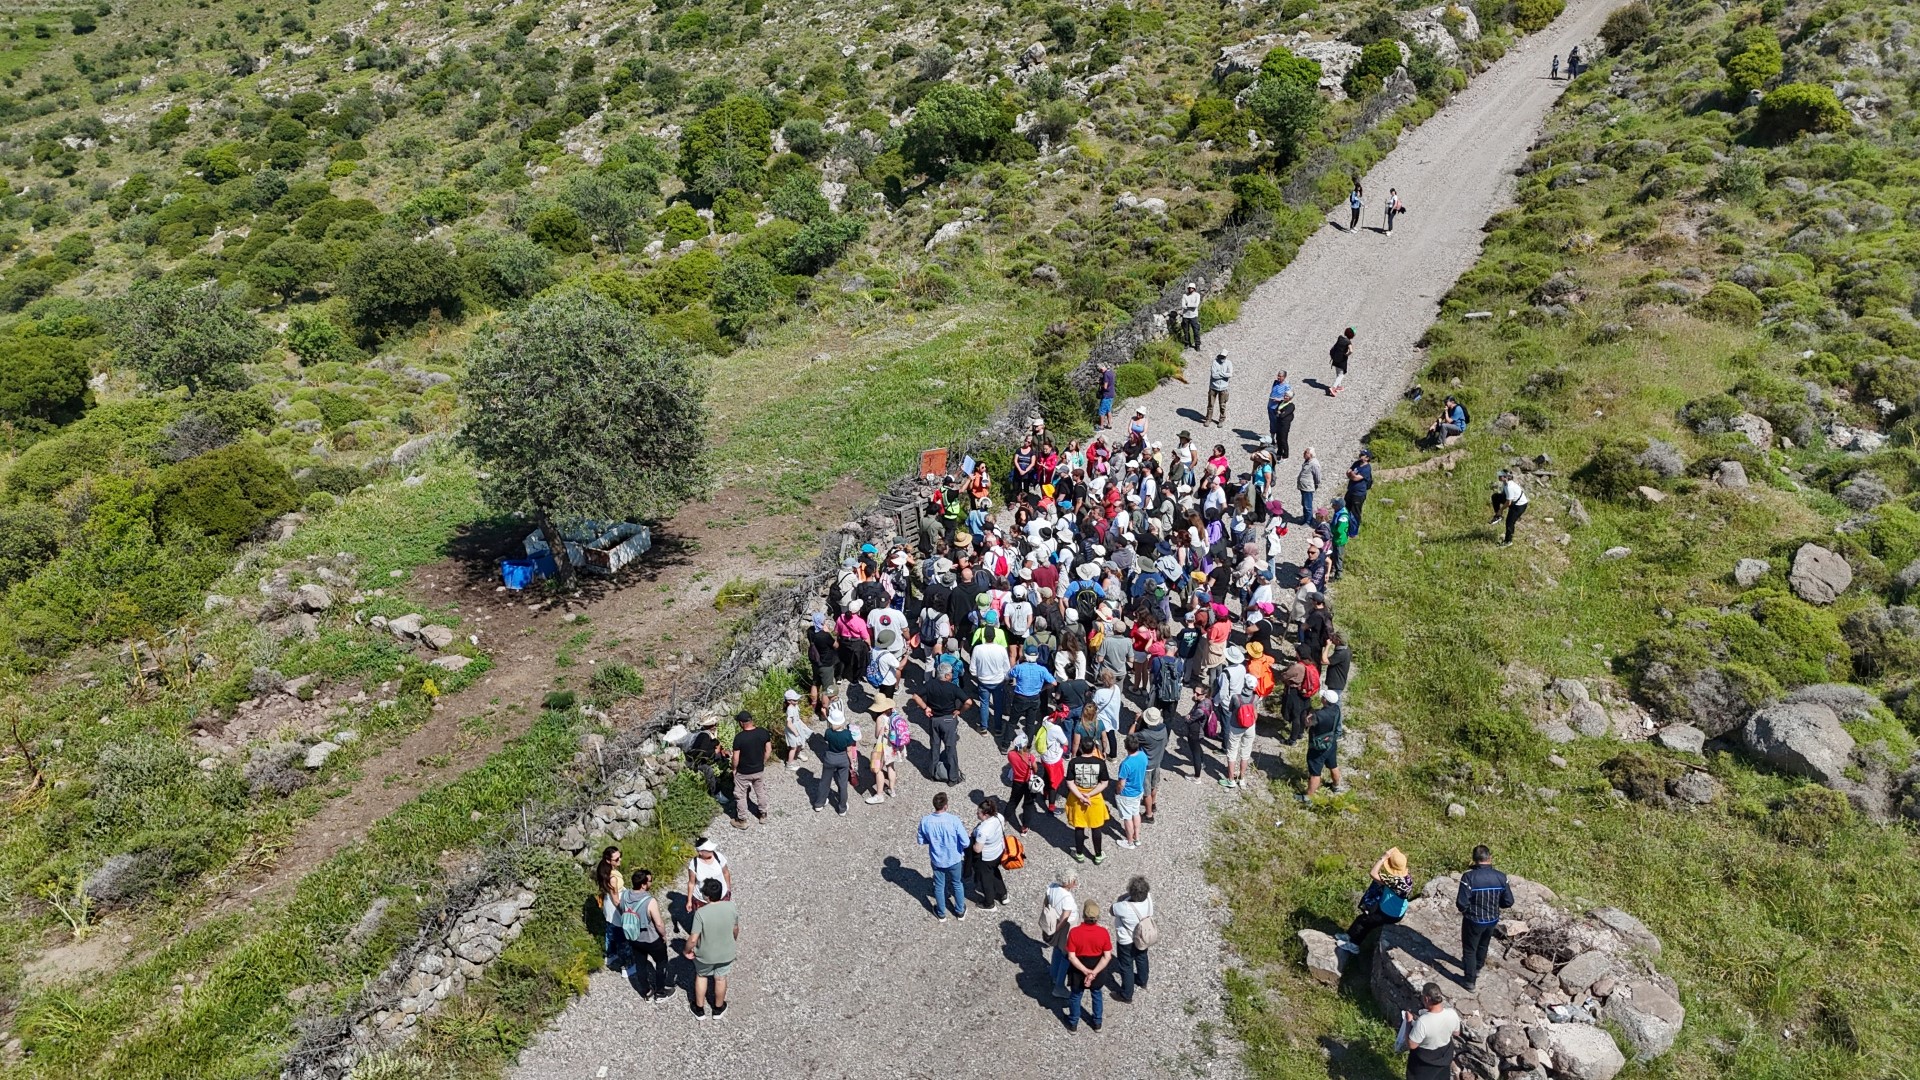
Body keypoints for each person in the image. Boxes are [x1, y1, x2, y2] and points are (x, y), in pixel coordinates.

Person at [1455, 844, 1514, 990]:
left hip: (1474, 919)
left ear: (1474, 860)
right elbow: (1508, 901)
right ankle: (1478, 968)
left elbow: (1461, 903)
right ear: (1490, 858)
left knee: (1469, 950)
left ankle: (1470, 981)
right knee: (1483, 944)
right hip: (1492, 919)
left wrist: (1467, 911)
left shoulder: (1469, 877)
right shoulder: (1501, 877)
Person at [1338, 847, 1413, 953]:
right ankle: (1349, 936)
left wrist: (1383, 858)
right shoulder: (1407, 878)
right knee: (1364, 918)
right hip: (1396, 910)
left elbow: (1373, 873)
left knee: (1364, 922)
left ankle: (1354, 945)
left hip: (1388, 913)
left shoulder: (1393, 881)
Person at [684, 878, 738, 1019]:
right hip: (726, 952)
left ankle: (700, 1009)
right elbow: (735, 929)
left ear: (706, 896)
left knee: (701, 976)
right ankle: (718, 1008)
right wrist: (732, 941)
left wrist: (686, 951)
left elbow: (693, 939)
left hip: (705, 954)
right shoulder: (731, 907)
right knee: (720, 978)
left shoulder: (701, 913)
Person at [912, 662, 970, 785]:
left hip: (934, 720)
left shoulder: (930, 685)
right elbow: (968, 702)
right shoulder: (953, 688)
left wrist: (925, 707)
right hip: (949, 720)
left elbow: (915, 696)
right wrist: (959, 711)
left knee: (935, 746)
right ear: (947, 676)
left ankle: (933, 774)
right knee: (950, 748)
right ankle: (953, 778)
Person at [619, 868, 672, 999]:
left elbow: (622, 911)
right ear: (643, 885)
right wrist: (664, 935)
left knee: (640, 964)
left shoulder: (624, 895)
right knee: (661, 962)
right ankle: (660, 992)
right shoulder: (649, 901)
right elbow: (659, 923)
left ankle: (647, 991)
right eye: (650, 881)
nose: (651, 883)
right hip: (651, 939)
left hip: (634, 937)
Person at [919, 791, 970, 921]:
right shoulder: (954, 820)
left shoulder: (925, 821)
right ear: (946, 806)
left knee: (939, 886)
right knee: (957, 883)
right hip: (954, 858)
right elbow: (966, 842)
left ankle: (941, 913)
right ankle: (959, 911)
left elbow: (921, 840)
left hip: (937, 860)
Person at [1065, 900, 1114, 1032]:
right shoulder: (1103, 933)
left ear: (1083, 915)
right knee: (1096, 994)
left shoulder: (1074, 932)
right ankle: (1097, 1023)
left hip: (1078, 969)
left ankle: (1073, 1024)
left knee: (1076, 995)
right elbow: (1107, 956)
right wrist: (1094, 973)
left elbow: (1071, 956)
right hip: (1097, 967)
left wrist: (1086, 971)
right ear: (1097, 917)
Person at [1064, 739, 1113, 864]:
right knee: (1096, 827)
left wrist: (1080, 796)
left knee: (1079, 826)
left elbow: (1069, 782)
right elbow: (1104, 782)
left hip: (1077, 797)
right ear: (1094, 749)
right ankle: (1098, 855)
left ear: (1080, 748)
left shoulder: (1074, 762)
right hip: (1094, 797)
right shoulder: (1100, 763)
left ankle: (1079, 854)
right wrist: (1089, 794)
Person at [1400, 982, 1462, 1080]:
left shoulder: (1423, 1022)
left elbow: (1412, 1045)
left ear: (1426, 999)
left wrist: (1408, 1022)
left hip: (1425, 1060)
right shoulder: (1452, 1014)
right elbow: (1456, 1033)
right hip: (1444, 1055)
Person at [1110, 875, 1154, 1002]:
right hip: (1143, 936)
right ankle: (1142, 980)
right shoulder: (1148, 898)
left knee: (1126, 966)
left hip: (1127, 940)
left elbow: (1112, 910)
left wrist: (1122, 898)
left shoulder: (1124, 906)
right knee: (1142, 957)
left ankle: (1126, 994)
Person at [972, 610, 1012, 737]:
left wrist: (979, 675)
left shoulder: (978, 649)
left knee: (984, 703)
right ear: (995, 636)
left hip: (983, 681)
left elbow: (972, 669)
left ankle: (984, 727)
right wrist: (1005, 678)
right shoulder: (1001, 649)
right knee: (998, 704)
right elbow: (1007, 668)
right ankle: (998, 729)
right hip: (998, 681)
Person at [729, 709, 772, 828]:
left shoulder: (739, 738)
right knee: (760, 791)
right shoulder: (763, 732)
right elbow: (768, 750)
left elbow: (736, 758)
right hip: (759, 769)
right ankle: (763, 814)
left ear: (742, 723)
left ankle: (742, 820)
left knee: (740, 794)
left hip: (743, 772)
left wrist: (734, 769)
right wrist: (762, 762)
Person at [811, 708, 859, 815]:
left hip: (830, 758)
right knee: (842, 784)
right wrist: (852, 762)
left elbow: (827, 740)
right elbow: (849, 750)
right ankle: (842, 808)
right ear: (842, 721)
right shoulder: (847, 734)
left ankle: (819, 803)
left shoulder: (828, 732)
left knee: (825, 781)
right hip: (842, 759)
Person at [1043, 869, 1081, 998]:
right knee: (1066, 956)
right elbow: (1066, 918)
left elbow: (1046, 902)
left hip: (1055, 921)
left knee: (1057, 950)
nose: (1075, 882)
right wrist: (1056, 930)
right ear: (1067, 882)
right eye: (1073, 880)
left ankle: (1053, 974)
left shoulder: (1052, 886)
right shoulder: (1068, 898)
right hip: (1067, 927)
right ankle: (1059, 986)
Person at [1302, 689, 1346, 800]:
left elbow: (1308, 723)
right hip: (1331, 743)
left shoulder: (1318, 715)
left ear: (1325, 700)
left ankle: (1309, 798)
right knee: (1333, 766)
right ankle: (1336, 786)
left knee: (1315, 773)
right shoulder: (1336, 709)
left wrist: (1309, 714)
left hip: (1318, 747)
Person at [864, 694, 906, 804]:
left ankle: (879, 794)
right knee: (891, 766)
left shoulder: (880, 718)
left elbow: (877, 735)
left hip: (883, 746)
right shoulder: (894, 714)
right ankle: (892, 790)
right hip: (894, 745)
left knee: (878, 769)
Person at [1132, 705, 1170, 823]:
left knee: (1146, 791)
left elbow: (1130, 738)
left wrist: (1136, 721)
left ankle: (1149, 815)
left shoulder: (1144, 734)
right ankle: (1153, 804)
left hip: (1146, 766)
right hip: (1157, 762)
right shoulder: (1163, 728)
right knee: (1154, 786)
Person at [971, 796, 1009, 909]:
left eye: (979, 813)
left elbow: (977, 849)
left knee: (986, 879)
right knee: (995, 872)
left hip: (987, 857)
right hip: (998, 851)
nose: (976, 814)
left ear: (986, 815)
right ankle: (1003, 894)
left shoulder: (983, 830)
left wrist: (970, 845)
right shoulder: (999, 817)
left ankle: (989, 903)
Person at [594, 846, 628, 971]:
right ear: (609, 861)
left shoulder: (603, 871)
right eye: (617, 859)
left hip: (608, 906)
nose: (620, 860)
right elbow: (615, 899)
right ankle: (627, 966)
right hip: (615, 907)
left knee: (610, 931)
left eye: (620, 856)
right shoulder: (612, 878)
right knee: (622, 937)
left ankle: (610, 955)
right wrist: (624, 913)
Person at [1113, 734, 1148, 850]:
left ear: (1126, 747)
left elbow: (1121, 783)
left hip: (1127, 794)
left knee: (1127, 818)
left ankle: (1129, 842)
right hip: (1138, 791)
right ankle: (1137, 838)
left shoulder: (1126, 764)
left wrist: (1117, 792)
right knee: (1136, 813)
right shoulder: (1143, 755)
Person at [1004, 733, 1042, 834]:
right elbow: (1035, 768)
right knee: (1028, 805)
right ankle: (1024, 828)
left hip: (1017, 782)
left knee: (1013, 801)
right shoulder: (1031, 757)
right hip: (1029, 783)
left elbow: (1012, 753)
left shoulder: (1011, 755)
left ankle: (1004, 819)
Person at [685, 838, 734, 915]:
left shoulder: (718, 857)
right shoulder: (694, 864)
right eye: (708, 850)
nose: (712, 851)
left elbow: (726, 873)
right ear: (700, 852)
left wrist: (728, 889)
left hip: (721, 896)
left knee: (722, 916)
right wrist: (689, 901)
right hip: (702, 899)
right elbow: (691, 883)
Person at [1489, 468, 1529, 546]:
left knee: (1509, 522)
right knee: (1495, 497)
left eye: (1501, 476)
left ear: (1506, 477)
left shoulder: (1510, 487)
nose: (1499, 477)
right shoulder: (1505, 483)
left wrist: (1501, 509)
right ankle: (1498, 517)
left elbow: (1508, 502)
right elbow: (1504, 495)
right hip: (1513, 501)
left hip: (1519, 506)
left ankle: (1508, 541)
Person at [1267, 370, 1295, 459]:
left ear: (1284, 377)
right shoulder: (1275, 382)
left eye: (1280, 376)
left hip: (1277, 407)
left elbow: (1288, 397)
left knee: (1277, 425)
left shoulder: (1287, 386)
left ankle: (1283, 452)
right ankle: (1272, 439)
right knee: (1272, 422)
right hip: (1271, 405)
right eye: (1278, 376)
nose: (1278, 378)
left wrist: (1278, 400)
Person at [1345, 449, 1372, 536]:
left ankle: (1353, 532)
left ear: (1367, 458)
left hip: (1358, 494)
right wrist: (1352, 474)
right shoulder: (1357, 463)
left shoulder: (1367, 468)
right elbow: (1348, 472)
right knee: (1346, 510)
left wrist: (1352, 474)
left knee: (1355, 513)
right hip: (1350, 491)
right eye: (1361, 453)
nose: (1361, 455)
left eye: (1363, 454)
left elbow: (1356, 478)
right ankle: (1346, 527)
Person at [782, 688, 812, 770]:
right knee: (793, 747)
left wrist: (802, 725)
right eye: (794, 700)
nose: (797, 701)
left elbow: (797, 718)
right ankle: (789, 764)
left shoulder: (795, 706)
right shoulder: (790, 709)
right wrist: (795, 732)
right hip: (793, 730)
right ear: (789, 701)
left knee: (800, 742)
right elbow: (789, 723)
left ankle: (798, 754)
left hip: (798, 726)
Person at [1204, 350, 1233, 426]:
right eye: (1221, 356)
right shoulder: (1215, 362)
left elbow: (1230, 374)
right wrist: (1224, 375)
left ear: (1226, 356)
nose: (1222, 357)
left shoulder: (1229, 363)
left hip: (1223, 388)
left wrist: (1220, 373)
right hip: (1213, 387)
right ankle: (1208, 419)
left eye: (1224, 356)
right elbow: (1214, 375)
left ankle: (1221, 419)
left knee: (1222, 405)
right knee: (1210, 404)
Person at [1295, 447, 1321, 523]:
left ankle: (1308, 521)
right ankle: (1306, 518)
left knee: (1307, 505)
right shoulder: (1307, 461)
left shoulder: (1314, 464)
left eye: (1306, 452)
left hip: (1308, 488)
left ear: (1311, 454)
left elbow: (1318, 477)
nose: (1304, 454)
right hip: (1303, 487)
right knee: (1304, 504)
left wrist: (1316, 485)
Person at [1328, 327, 1354, 397]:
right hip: (1342, 360)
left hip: (1335, 358)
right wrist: (1347, 355)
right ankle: (1333, 388)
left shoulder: (1340, 338)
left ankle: (1338, 386)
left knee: (1338, 373)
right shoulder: (1348, 342)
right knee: (1341, 375)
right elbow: (1351, 350)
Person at [1178, 282, 1202, 349]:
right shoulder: (1184, 295)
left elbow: (1196, 305)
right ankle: (1187, 343)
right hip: (1185, 316)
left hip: (1193, 316)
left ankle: (1197, 345)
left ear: (1194, 289)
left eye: (1191, 288)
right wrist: (1190, 305)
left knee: (1196, 331)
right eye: (1189, 288)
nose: (1190, 289)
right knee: (1186, 331)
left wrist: (1187, 304)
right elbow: (1183, 305)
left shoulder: (1197, 295)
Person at [1098, 361, 1117, 429]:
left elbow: (1105, 386)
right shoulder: (1111, 372)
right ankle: (1109, 424)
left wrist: (1100, 384)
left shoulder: (1106, 374)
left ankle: (1101, 426)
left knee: (1102, 411)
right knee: (1108, 410)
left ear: (1101, 369)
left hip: (1106, 395)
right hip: (1111, 393)